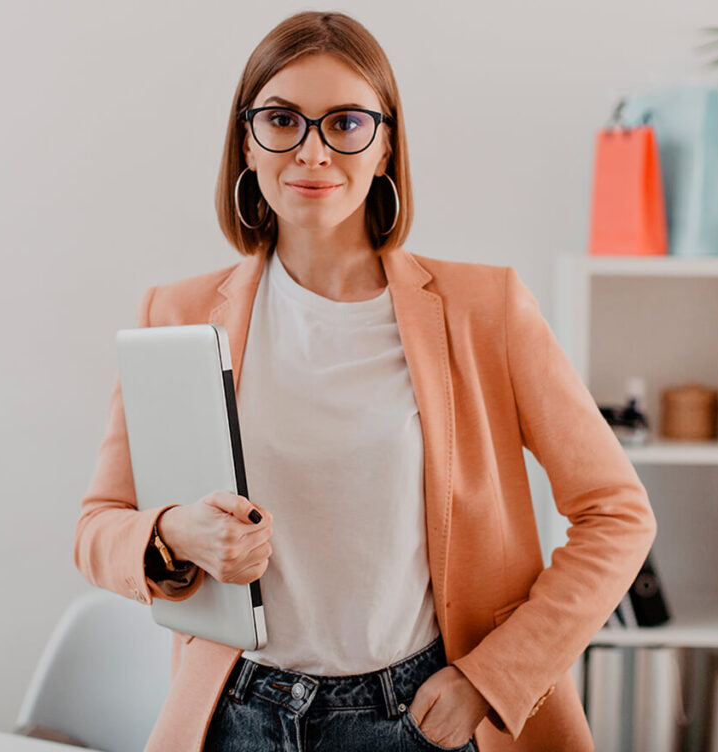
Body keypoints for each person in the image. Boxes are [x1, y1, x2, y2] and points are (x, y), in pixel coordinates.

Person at [73, 10, 657, 752]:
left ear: (385, 146)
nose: (312, 152)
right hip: (236, 714)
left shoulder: (487, 311)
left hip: (416, 719)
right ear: (246, 143)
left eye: (345, 122)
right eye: (282, 119)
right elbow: (97, 526)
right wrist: (174, 534)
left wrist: (492, 678)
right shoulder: (178, 315)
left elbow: (616, 513)